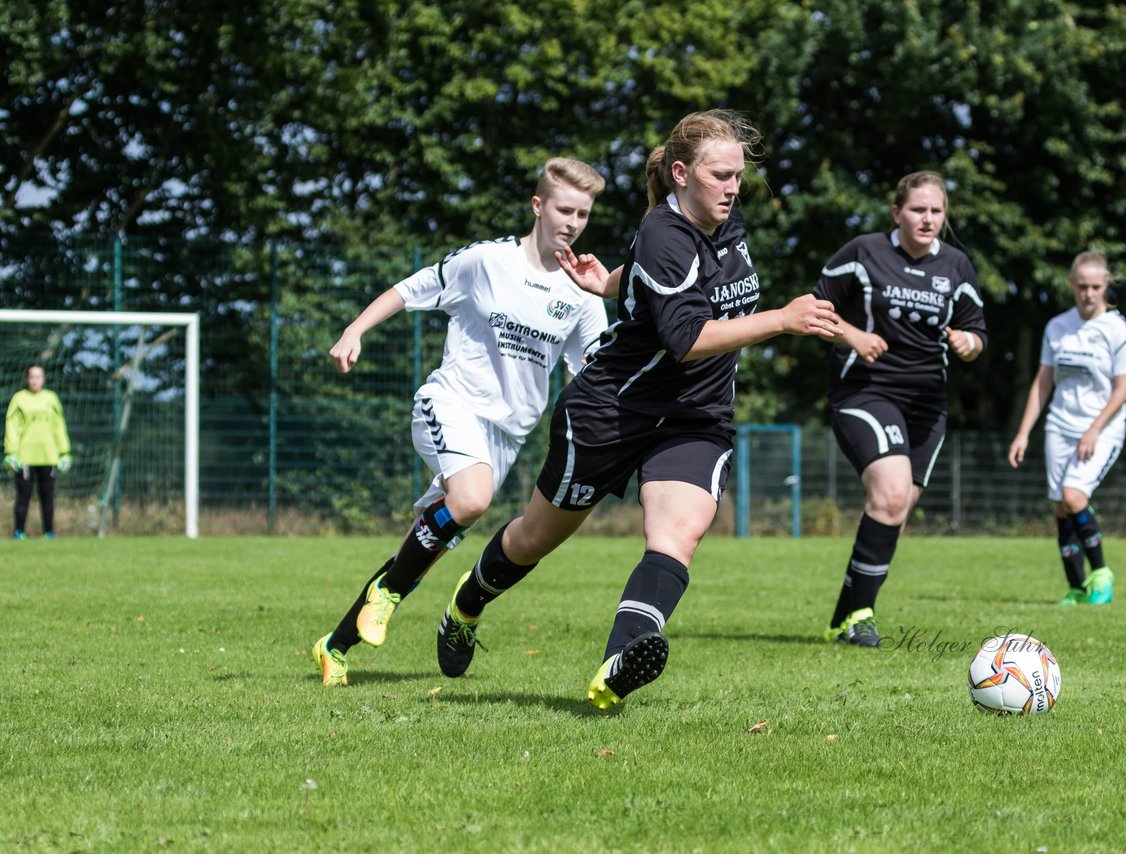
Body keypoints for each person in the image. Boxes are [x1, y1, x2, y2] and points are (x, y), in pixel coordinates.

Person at [430, 109, 841, 710]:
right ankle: (467, 604)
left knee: (677, 534)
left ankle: (618, 662)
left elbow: (670, 280)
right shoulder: (663, 231)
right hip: (611, 413)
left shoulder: (723, 222)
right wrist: (782, 319)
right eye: (721, 175)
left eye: (738, 176)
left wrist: (610, 283)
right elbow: (687, 338)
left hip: (695, 418)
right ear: (681, 173)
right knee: (534, 539)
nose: (733, 186)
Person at [310, 157, 611, 686]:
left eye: (583, 214)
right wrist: (354, 329)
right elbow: (409, 289)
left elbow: (594, 369)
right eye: (564, 209)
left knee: (421, 549)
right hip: (451, 403)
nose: (572, 223)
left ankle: (335, 644)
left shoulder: (583, 292)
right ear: (538, 206)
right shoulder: (487, 262)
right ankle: (386, 595)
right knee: (472, 501)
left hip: (505, 437)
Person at [814, 171, 988, 647]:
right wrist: (854, 335)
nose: (927, 219)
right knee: (891, 496)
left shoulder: (956, 264)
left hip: (927, 404)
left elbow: (977, 332)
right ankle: (860, 616)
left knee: (898, 507)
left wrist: (967, 343)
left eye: (936, 211)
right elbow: (814, 308)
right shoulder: (864, 252)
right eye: (917, 210)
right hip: (865, 392)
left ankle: (844, 618)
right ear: (897, 213)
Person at [1007, 251, 1126, 605]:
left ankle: (1102, 574)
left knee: (1073, 495)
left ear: (1106, 285)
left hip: (1103, 427)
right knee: (1061, 507)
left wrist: (1094, 429)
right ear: (1071, 285)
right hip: (1059, 426)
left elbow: (1125, 387)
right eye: (1082, 286)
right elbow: (1043, 383)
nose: (1089, 293)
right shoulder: (1057, 327)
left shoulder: (1116, 328)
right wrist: (1023, 433)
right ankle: (1076, 589)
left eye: (1096, 286)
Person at [4, 365, 73, 540]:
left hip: (48, 456)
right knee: (23, 496)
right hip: (24, 457)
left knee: (47, 497)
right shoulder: (19, 399)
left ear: (43, 378)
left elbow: (59, 427)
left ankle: (49, 532)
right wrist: (10, 452)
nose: (34, 380)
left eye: (38, 376)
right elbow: (12, 427)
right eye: (31, 377)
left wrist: (64, 452)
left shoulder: (51, 399)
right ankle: (19, 531)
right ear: (27, 379)